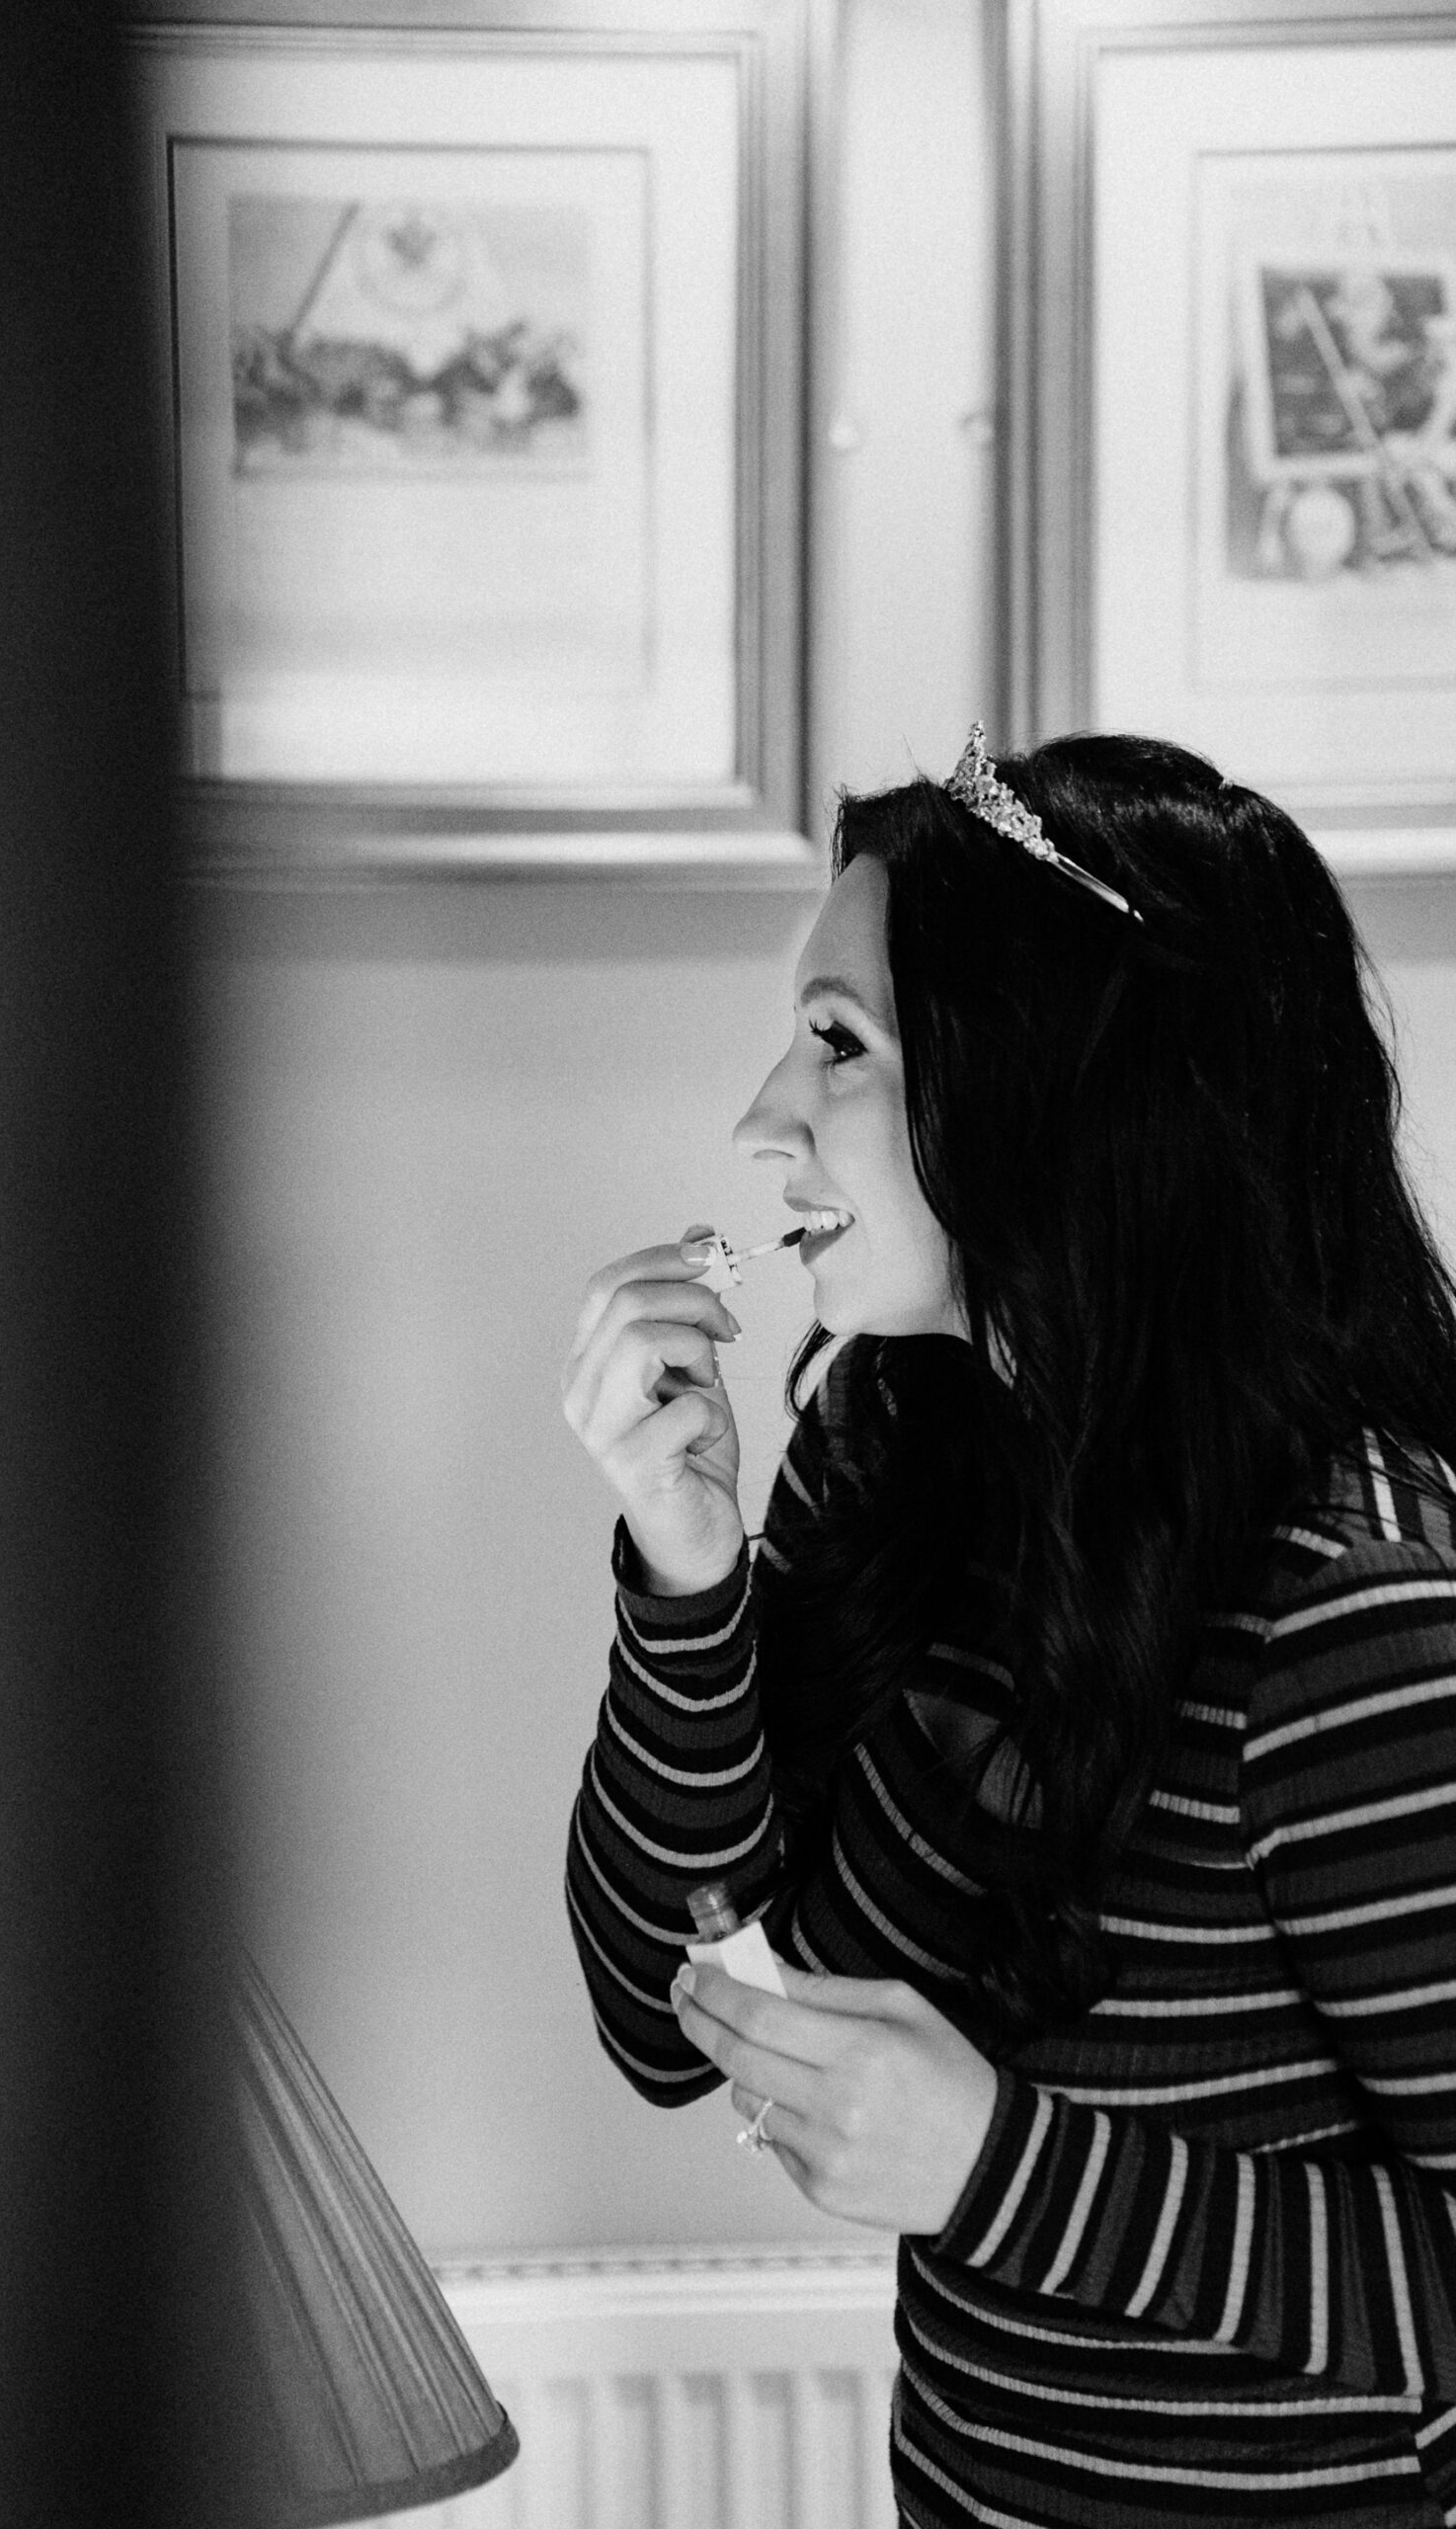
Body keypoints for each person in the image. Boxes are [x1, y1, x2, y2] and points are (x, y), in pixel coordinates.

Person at [559, 725, 1456, 2527]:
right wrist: (684, 1579)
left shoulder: (1352, 1622)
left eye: (839, 1047)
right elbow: (663, 2027)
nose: (760, 1120)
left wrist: (1002, 2163)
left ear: (1059, 1087)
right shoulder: (899, 1452)